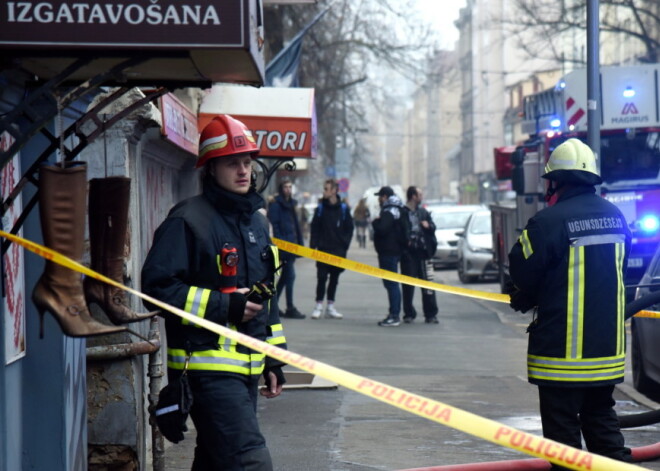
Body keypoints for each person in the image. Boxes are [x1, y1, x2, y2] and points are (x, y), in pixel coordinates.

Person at [141, 115, 287, 471]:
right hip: (205, 372)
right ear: (210, 169)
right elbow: (157, 289)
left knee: (214, 462)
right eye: (232, 163)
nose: (243, 171)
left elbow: (266, 297)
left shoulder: (255, 222)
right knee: (249, 462)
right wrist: (226, 305)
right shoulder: (188, 220)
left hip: (247, 372)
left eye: (247, 162)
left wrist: (273, 357)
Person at [507, 139, 632, 468]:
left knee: (564, 447)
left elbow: (521, 272)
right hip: (606, 355)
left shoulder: (547, 223)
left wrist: (525, 294)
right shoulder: (617, 218)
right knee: (604, 430)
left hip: (561, 357)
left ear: (556, 182)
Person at [309, 178, 354, 319]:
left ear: (334, 190)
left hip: (338, 250)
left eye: (326, 189)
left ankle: (330, 306)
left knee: (334, 278)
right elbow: (314, 227)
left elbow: (349, 228)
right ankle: (318, 306)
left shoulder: (343, 209)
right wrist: (313, 245)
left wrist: (344, 244)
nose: (324, 191)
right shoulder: (320, 208)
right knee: (321, 278)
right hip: (323, 249)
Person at [268, 179, 305, 319]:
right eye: (286, 187)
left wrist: (299, 244)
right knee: (290, 276)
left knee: (284, 277)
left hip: (292, 245)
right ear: (281, 188)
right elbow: (275, 225)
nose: (288, 189)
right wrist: (281, 243)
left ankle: (273, 305)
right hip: (284, 247)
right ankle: (290, 307)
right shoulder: (276, 205)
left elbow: (296, 226)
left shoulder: (291, 204)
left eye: (290, 187)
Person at [401, 186, 439, 324]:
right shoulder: (403, 213)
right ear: (413, 196)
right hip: (409, 255)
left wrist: (428, 225)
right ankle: (409, 313)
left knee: (428, 285)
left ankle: (431, 314)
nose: (421, 196)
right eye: (419, 194)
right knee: (408, 286)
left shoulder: (423, 212)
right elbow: (400, 232)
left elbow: (433, 227)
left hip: (425, 254)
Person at [372, 186, 406, 327]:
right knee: (392, 284)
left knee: (391, 284)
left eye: (380, 196)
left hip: (388, 251)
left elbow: (382, 229)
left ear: (385, 196)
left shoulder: (388, 211)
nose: (379, 199)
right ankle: (394, 313)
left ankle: (394, 315)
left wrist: (375, 222)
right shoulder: (398, 208)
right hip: (394, 251)